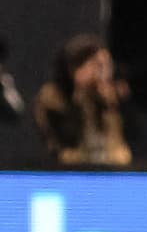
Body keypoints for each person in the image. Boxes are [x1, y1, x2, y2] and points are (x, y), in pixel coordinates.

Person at [32, 33, 137, 165]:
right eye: (97, 66)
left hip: (111, 166)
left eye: (106, 66)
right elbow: (66, 139)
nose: (103, 73)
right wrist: (79, 98)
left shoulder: (109, 94)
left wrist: (113, 103)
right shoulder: (52, 96)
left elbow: (132, 133)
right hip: (70, 166)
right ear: (75, 67)